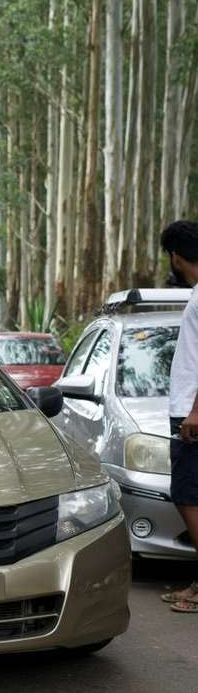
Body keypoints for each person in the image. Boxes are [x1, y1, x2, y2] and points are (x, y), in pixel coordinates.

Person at [159, 221, 198, 611]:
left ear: (175, 255)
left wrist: (195, 410)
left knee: (187, 495)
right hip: (190, 407)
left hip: (191, 411)